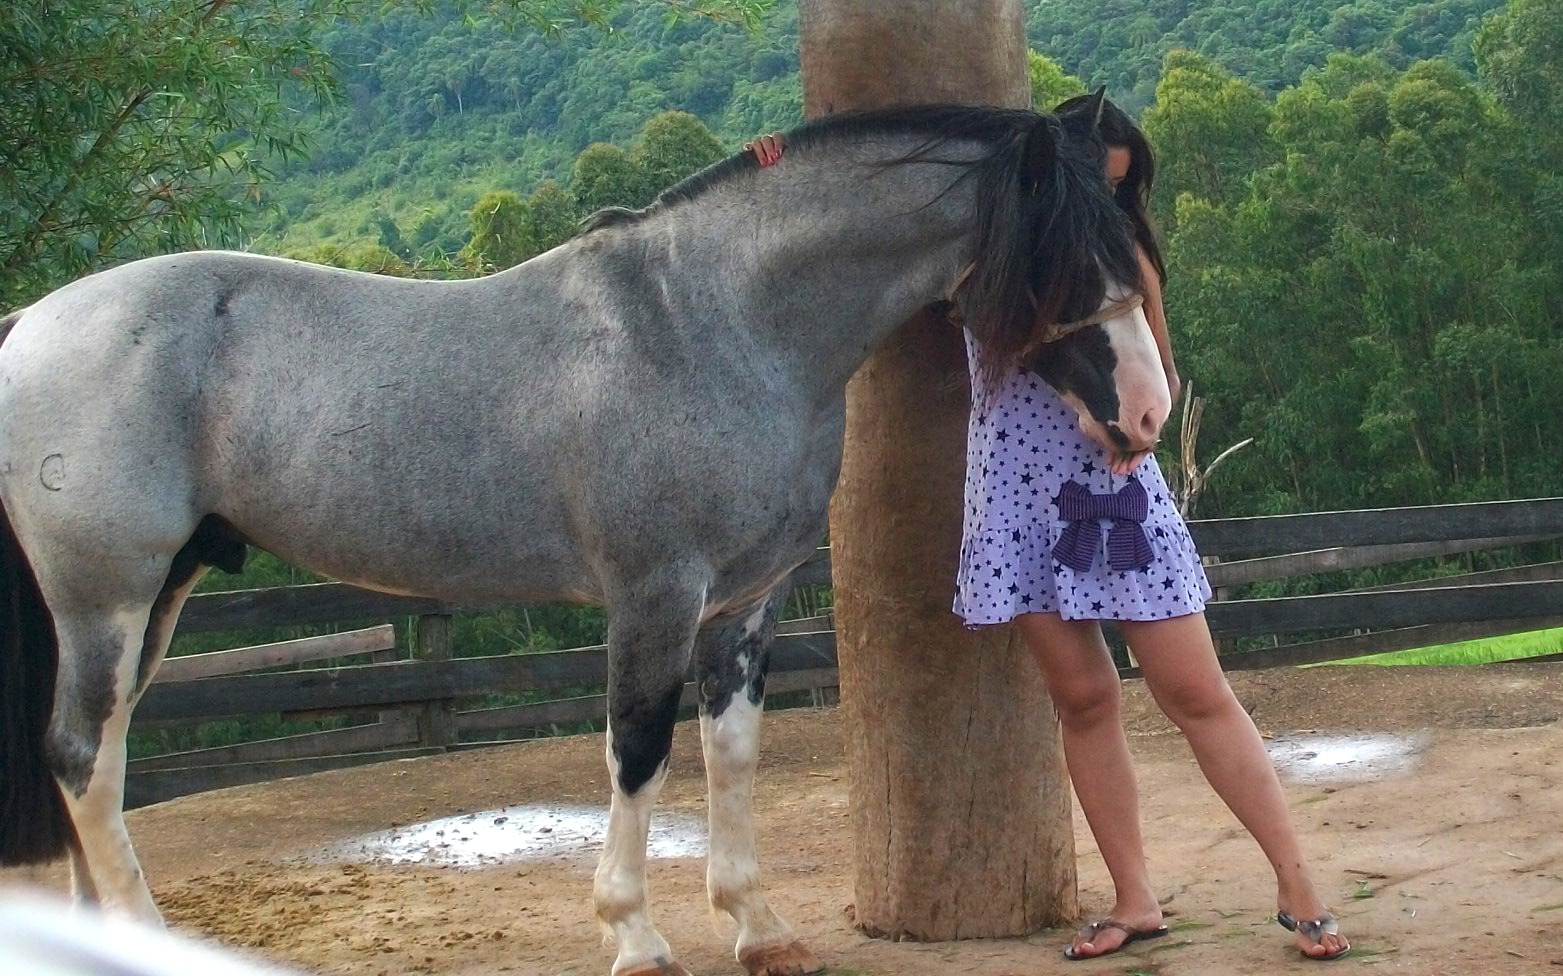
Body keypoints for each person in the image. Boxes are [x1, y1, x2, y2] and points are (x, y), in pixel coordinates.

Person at [746, 100, 1351, 963]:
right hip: (1016, 498)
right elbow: (857, 222)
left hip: (1114, 491)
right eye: (1092, 186)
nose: (1105, 205)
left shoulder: (1121, 255)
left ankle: (1297, 884)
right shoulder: (983, 261)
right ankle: (1133, 899)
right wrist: (775, 161)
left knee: (1193, 692)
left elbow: (1159, 379)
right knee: (1083, 701)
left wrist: (1128, 432)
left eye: (1119, 187)